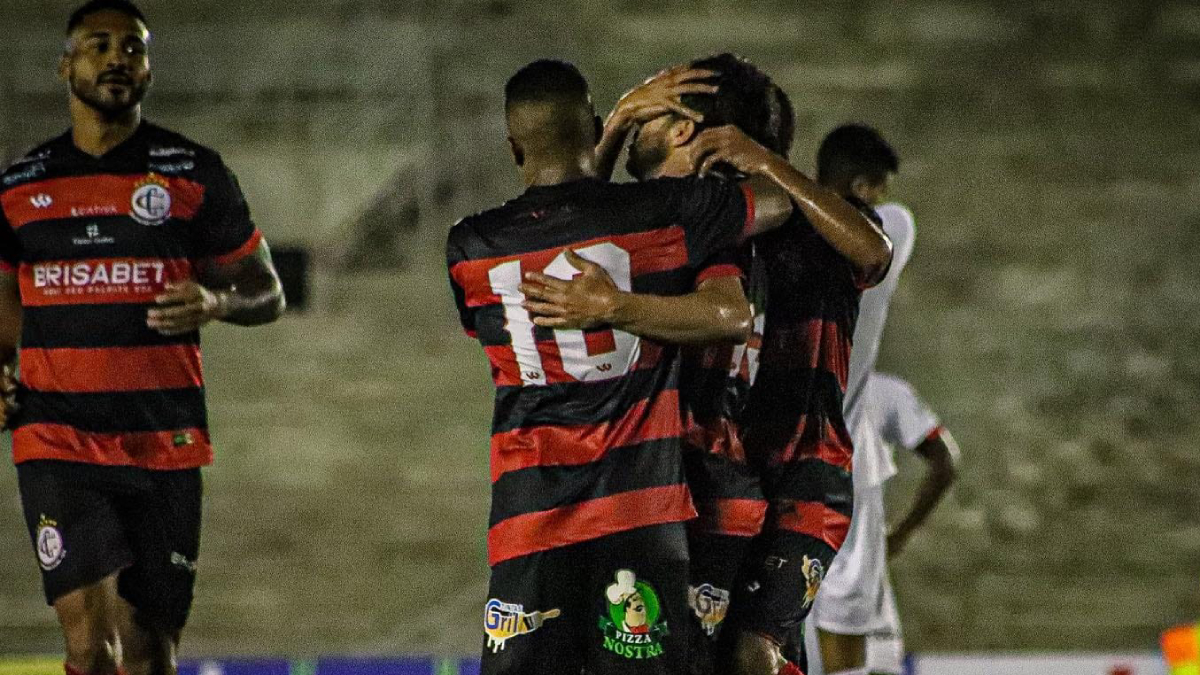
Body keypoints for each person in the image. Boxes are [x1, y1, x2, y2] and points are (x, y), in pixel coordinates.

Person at [518, 56, 893, 675]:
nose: (644, 122)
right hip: (713, 475)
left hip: (801, 481)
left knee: (752, 652)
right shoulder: (690, 224)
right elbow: (571, 235)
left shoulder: (809, 223)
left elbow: (873, 252)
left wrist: (767, 162)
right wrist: (613, 126)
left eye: (659, 114)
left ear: (695, 130)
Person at [446, 59, 799, 675]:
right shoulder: (662, 215)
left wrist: (613, 128)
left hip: (530, 523)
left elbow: (566, 221)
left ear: (511, 145)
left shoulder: (470, 247)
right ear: (591, 126)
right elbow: (774, 205)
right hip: (642, 514)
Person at [0, 2, 285, 674]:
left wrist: (217, 300)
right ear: (66, 65)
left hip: (166, 440)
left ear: (149, 68)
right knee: (91, 646)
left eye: (133, 47)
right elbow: (4, 295)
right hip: (58, 435)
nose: (117, 59)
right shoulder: (19, 186)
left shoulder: (192, 172)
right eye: (98, 46)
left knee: (150, 651)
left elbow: (268, 291)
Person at [799, 124, 920, 675]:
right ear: (863, 184)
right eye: (878, 190)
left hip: (841, 460)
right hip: (824, 464)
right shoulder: (787, 232)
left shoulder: (888, 227)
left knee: (844, 624)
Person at [804, 373, 960, 675]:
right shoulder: (882, 392)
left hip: (834, 567)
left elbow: (945, 462)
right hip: (849, 569)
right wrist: (899, 536)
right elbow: (945, 462)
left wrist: (899, 535)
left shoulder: (880, 392)